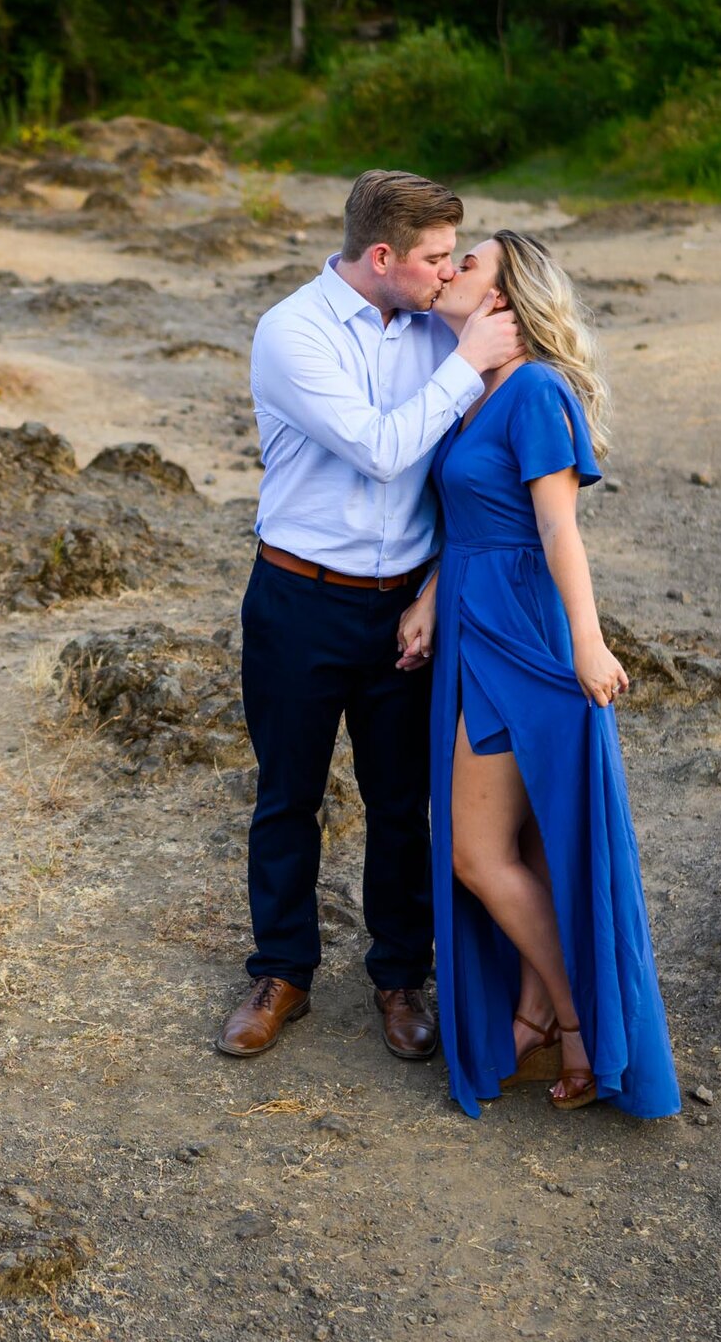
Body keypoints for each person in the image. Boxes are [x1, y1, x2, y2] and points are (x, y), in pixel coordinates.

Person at [218, 170, 523, 1062]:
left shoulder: (438, 324)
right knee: (288, 795)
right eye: (433, 258)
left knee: (402, 803)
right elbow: (387, 451)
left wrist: (433, 591)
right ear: (382, 256)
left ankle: (400, 978)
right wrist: (465, 365)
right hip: (299, 598)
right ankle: (281, 973)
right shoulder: (293, 332)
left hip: (407, 611)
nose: (445, 272)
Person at [396, 229, 681, 1117]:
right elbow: (477, 516)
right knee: (514, 847)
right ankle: (532, 1011)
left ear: (506, 295)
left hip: (526, 637)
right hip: (473, 626)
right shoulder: (476, 392)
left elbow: (557, 529)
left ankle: (577, 1024)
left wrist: (589, 644)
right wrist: (434, 593)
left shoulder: (535, 392)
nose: (449, 272)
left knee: (477, 854)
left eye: (467, 263)